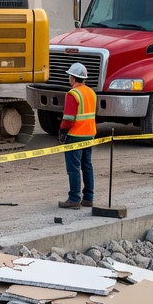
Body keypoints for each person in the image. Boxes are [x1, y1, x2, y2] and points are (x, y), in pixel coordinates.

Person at [57, 62, 97, 209]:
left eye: (70, 76)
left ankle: (74, 199)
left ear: (73, 78)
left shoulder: (72, 94)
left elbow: (68, 118)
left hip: (75, 136)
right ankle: (88, 198)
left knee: (73, 168)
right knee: (87, 166)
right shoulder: (91, 93)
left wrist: (62, 132)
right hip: (89, 135)